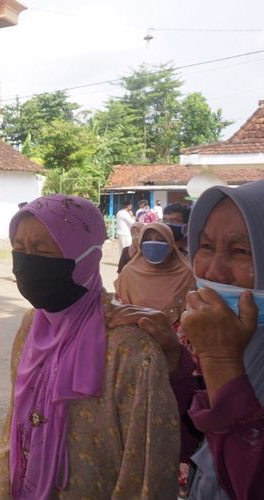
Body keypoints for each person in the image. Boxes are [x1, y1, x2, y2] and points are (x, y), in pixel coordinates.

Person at [0, 194, 179, 499]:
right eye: (19, 249)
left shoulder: (130, 347)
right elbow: (15, 419)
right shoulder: (31, 326)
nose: (27, 262)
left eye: (41, 250)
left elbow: (146, 464)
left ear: (84, 256)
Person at [107, 179, 264, 499]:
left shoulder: (224, 346)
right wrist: (177, 361)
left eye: (241, 251)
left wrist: (221, 360)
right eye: (205, 247)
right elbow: (193, 440)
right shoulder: (233, 338)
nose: (214, 271)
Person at [114, 222, 196, 326]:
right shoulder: (129, 273)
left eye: (161, 240)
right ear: (140, 244)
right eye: (147, 240)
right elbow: (120, 308)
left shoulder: (186, 274)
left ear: (171, 244)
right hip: (136, 336)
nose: (153, 244)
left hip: (175, 339)